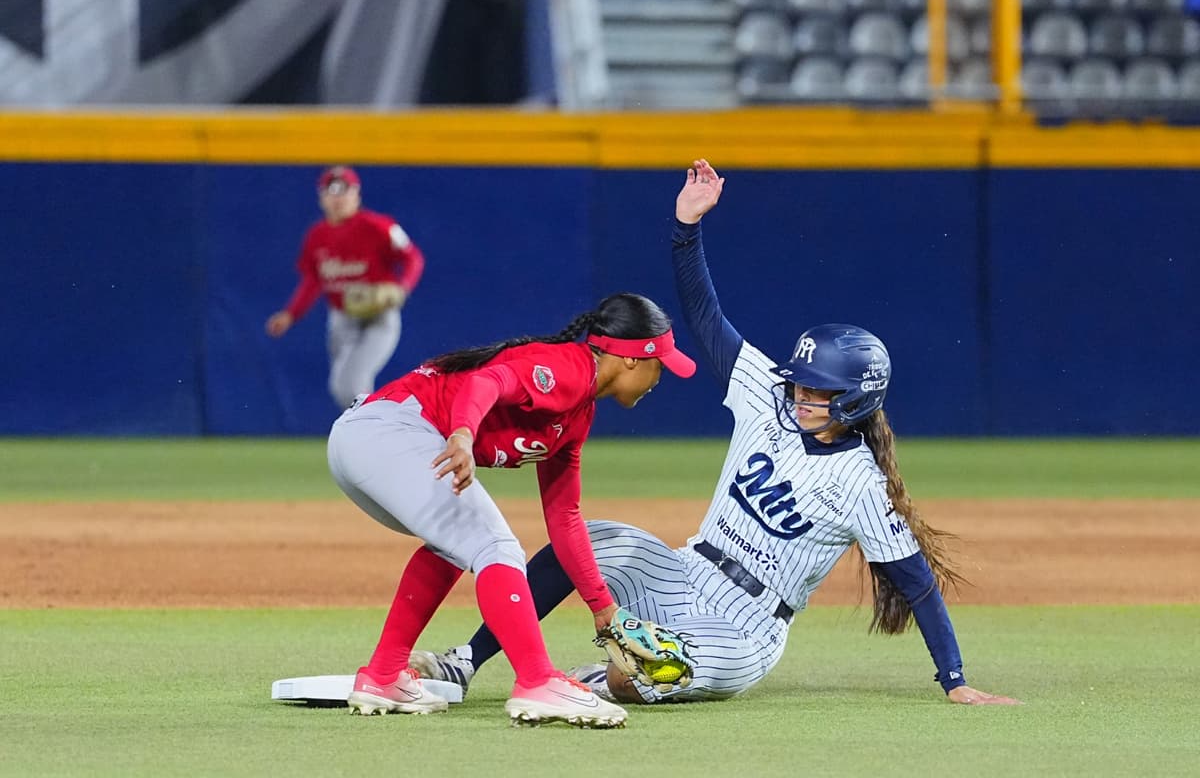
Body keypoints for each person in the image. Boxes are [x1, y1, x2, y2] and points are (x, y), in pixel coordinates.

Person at [411, 159, 1019, 707]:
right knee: (590, 540)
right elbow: (707, 318)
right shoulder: (769, 395)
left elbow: (915, 581)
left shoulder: (859, 482)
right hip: (683, 571)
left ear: (857, 400)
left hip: (745, 627)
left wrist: (955, 679)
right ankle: (465, 664)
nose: (802, 395)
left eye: (818, 391)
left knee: (640, 672)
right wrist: (686, 230)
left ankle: (594, 678)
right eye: (803, 383)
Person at [326, 292, 697, 726]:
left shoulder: (577, 413)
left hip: (370, 441)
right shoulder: (568, 369)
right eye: (661, 364)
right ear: (632, 359)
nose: (661, 377)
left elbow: (564, 515)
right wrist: (463, 433)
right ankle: (538, 682)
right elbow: (484, 384)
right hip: (387, 433)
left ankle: (384, 674)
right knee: (496, 546)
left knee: (455, 546)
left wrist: (603, 608)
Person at [266, 166, 425, 410]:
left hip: (378, 317)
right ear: (321, 198)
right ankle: (371, 432)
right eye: (331, 192)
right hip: (343, 318)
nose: (338, 198)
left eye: (345, 191)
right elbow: (313, 280)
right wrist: (291, 314)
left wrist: (403, 287)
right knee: (343, 387)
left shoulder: (377, 226)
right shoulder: (317, 235)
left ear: (357, 195)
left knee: (352, 382)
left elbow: (413, 257)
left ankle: (375, 431)